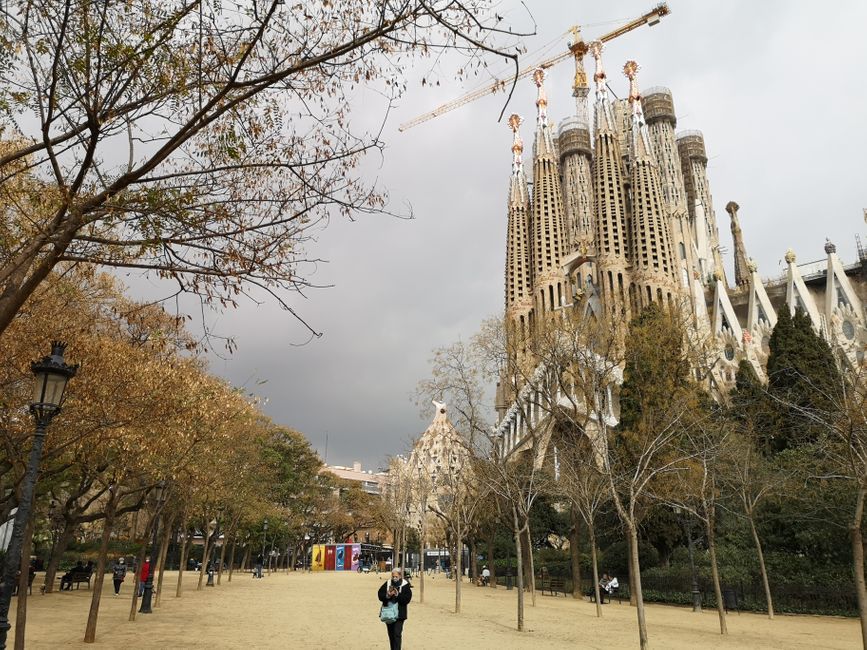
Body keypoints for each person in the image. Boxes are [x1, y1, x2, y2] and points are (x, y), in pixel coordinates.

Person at [378, 569, 412, 650]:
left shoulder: (405, 585)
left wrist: (397, 595)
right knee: (391, 634)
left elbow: (407, 599)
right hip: (389, 613)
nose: (394, 578)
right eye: (393, 576)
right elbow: (380, 594)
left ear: (400, 576)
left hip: (400, 615)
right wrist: (387, 595)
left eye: (396, 576)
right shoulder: (388, 583)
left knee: (397, 634)